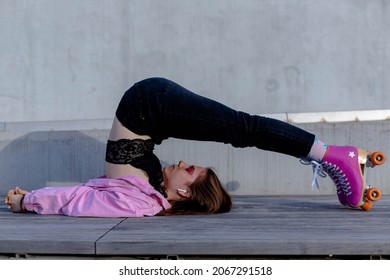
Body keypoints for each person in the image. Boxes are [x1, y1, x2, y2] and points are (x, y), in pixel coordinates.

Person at [4, 77, 383, 217]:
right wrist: (31, 198)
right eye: (190, 166)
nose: (183, 162)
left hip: (150, 105)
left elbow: (75, 201)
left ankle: (333, 155)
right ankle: (332, 156)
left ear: (183, 190)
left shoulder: (139, 203)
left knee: (242, 128)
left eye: (189, 170)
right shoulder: (151, 197)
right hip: (152, 107)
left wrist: (29, 200)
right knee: (241, 128)